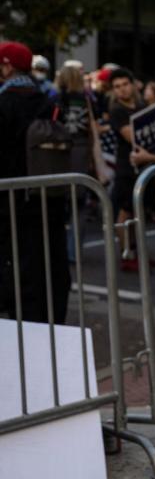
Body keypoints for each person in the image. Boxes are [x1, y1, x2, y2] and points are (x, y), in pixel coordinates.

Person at [0, 41, 71, 324]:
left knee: (18, 271)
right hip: (49, 198)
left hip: (11, 204)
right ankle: (50, 327)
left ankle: (25, 333)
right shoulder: (48, 100)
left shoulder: (5, 102)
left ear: (6, 66)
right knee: (50, 268)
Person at [107, 67, 148, 271]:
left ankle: (134, 251)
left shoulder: (142, 106)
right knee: (124, 212)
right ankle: (126, 253)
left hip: (143, 166)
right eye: (117, 87)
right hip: (126, 167)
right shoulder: (117, 111)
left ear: (132, 85)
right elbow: (131, 136)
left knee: (135, 212)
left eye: (124, 85)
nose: (121, 90)